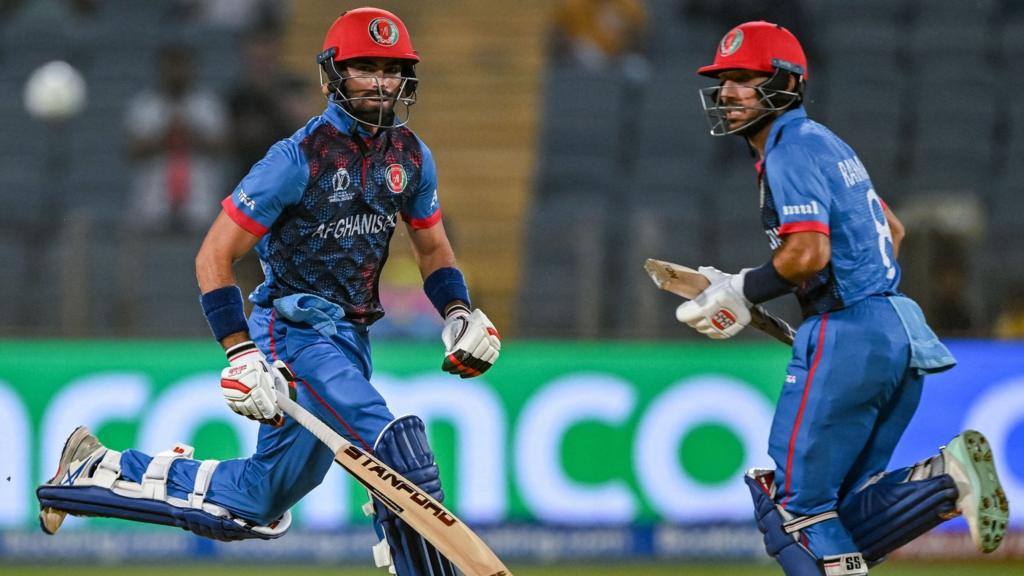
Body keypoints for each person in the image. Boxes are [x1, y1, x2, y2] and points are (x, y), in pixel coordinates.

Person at [37, 8, 502, 576]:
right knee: (400, 458)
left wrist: (457, 310)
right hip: (294, 335)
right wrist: (240, 352)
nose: (380, 83)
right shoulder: (294, 159)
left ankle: (94, 470)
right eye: (365, 69)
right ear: (333, 75)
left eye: (391, 69)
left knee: (254, 505)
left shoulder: (410, 157)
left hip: (351, 340)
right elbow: (214, 255)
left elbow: (433, 251)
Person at [675, 21, 1008, 575]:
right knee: (839, 515)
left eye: (743, 79)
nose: (728, 92)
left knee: (793, 513)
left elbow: (808, 254)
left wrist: (744, 289)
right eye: (723, 80)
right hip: (898, 329)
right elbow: (892, 230)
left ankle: (948, 478)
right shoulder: (826, 141)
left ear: (783, 83)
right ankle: (947, 478)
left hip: (848, 333)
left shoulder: (788, 148)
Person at [124, 43, 228, 234]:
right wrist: (166, 133)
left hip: (199, 198)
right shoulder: (145, 105)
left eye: (181, 66)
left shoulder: (207, 104)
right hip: (153, 198)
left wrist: (189, 131)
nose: (176, 73)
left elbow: (222, 146)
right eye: (171, 66)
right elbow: (132, 150)